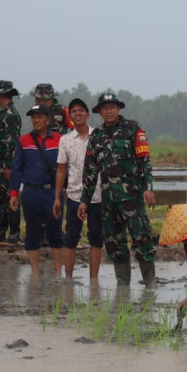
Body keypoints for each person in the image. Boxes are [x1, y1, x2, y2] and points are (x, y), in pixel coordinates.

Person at [77, 92, 157, 287]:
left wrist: (148, 187)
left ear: (118, 108)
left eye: (112, 107)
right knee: (114, 244)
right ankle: (123, 287)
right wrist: (84, 201)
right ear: (100, 112)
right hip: (109, 201)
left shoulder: (133, 128)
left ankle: (150, 284)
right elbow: (90, 171)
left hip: (132, 199)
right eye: (105, 108)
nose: (109, 111)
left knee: (142, 239)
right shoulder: (96, 136)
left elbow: (145, 160)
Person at [9, 104, 64, 276]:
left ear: (48, 119)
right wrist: (14, 194)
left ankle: (57, 272)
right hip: (31, 193)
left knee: (56, 232)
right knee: (32, 233)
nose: (36, 120)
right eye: (33, 117)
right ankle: (35, 273)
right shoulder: (23, 141)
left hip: (53, 193)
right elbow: (17, 169)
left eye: (40, 117)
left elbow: (66, 168)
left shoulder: (60, 140)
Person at [54, 97, 103, 279]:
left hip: (98, 196)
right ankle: (68, 278)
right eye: (74, 111)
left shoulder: (99, 136)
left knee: (96, 239)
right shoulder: (65, 140)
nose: (78, 114)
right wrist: (57, 198)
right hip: (74, 195)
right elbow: (61, 170)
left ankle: (94, 281)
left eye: (81, 110)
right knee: (71, 239)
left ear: (88, 114)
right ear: (70, 116)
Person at [0, 80, 23, 244]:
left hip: (7, 166)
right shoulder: (2, 114)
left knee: (12, 197)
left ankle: (14, 233)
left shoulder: (11, 115)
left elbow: (11, 143)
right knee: (0, 199)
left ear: (0, 95)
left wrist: (8, 166)